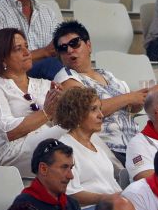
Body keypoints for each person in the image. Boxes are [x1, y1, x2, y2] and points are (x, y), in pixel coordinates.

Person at [52, 21, 148, 167]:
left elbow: (131, 108)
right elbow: (84, 110)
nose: (70, 50)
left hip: (134, 145)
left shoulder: (107, 74)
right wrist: (129, 97)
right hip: (107, 149)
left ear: (88, 45)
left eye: (75, 43)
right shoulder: (65, 78)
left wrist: (138, 101)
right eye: (63, 48)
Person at [0, 28, 65, 177]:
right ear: (2, 59)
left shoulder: (45, 84)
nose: (27, 52)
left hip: (48, 144)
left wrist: (61, 109)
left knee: (78, 131)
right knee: (69, 134)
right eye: (19, 49)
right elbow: (8, 131)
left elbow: (57, 123)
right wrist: (46, 113)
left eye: (26, 46)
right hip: (13, 152)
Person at [54, 87, 121, 207]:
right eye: (93, 109)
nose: (101, 115)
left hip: (109, 208)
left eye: (100, 109)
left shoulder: (98, 149)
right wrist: (105, 198)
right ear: (77, 114)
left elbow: (112, 186)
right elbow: (70, 193)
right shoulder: (64, 148)